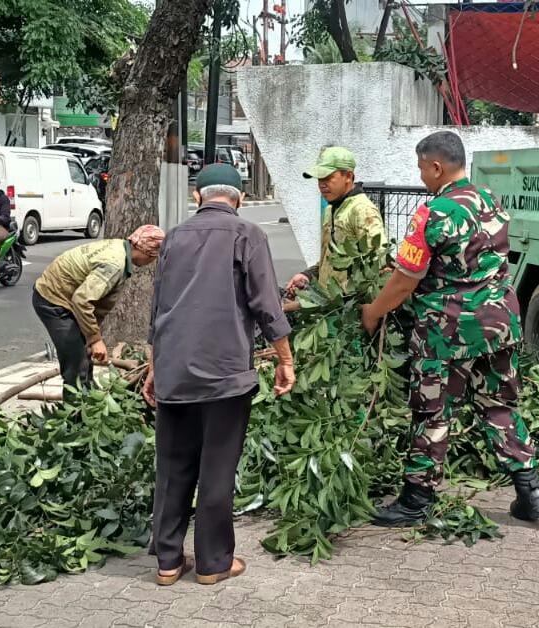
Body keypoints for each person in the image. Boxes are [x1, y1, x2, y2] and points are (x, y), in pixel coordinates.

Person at [360, 131, 539, 526]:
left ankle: (416, 499)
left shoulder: (434, 212)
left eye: (421, 169)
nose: (421, 178)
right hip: (499, 324)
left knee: (431, 411)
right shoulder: (489, 200)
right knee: (499, 404)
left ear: (436, 166)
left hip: (447, 332)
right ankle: (530, 490)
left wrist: (374, 312)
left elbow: (405, 280)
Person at [144, 164, 295, 586]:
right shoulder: (247, 235)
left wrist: (155, 368)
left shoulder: (173, 237)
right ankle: (213, 563)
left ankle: (168, 562)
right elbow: (266, 304)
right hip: (225, 372)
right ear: (239, 199)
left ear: (197, 197)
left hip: (174, 367)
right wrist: (285, 358)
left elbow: (157, 309)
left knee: (172, 467)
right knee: (217, 466)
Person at [32, 225, 165, 398]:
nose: (152, 262)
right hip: (54, 301)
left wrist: (91, 338)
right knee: (76, 365)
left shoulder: (119, 247)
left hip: (68, 298)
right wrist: (95, 340)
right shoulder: (115, 264)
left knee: (84, 356)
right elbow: (82, 299)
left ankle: (90, 398)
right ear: (147, 252)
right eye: (154, 257)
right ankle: (76, 414)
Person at [285, 147, 385, 296]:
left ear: (348, 176)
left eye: (328, 177)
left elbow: (379, 263)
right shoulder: (332, 209)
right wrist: (307, 275)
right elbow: (329, 259)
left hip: (350, 308)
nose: (322, 184)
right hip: (330, 305)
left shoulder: (362, 210)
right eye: (319, 178)